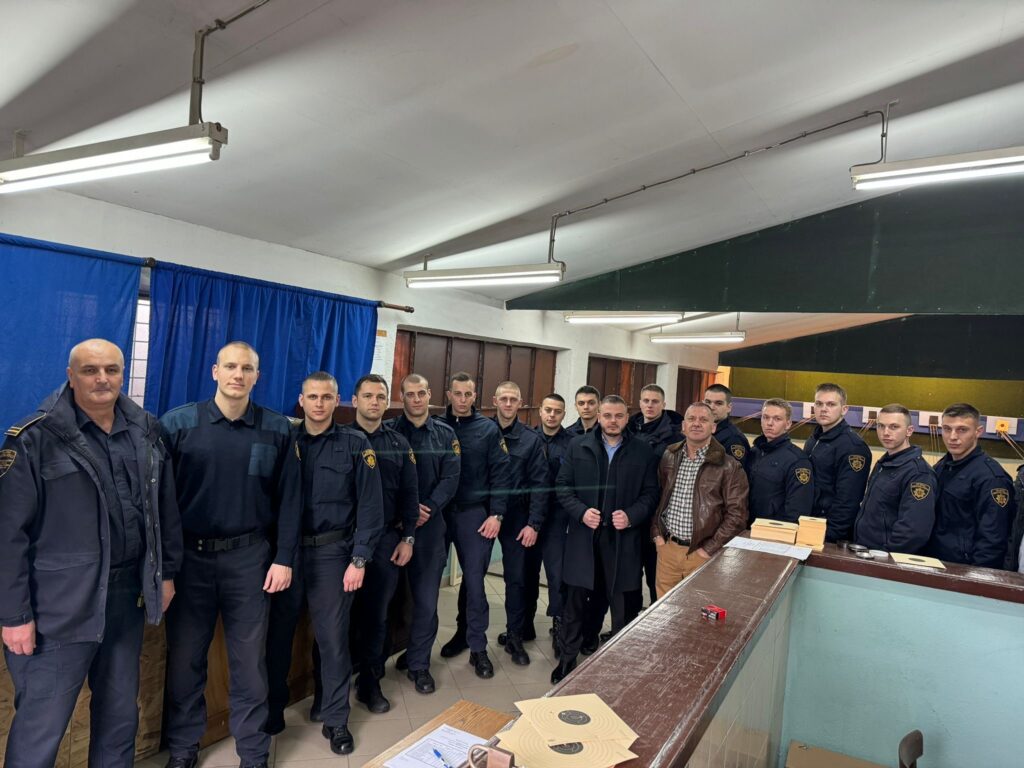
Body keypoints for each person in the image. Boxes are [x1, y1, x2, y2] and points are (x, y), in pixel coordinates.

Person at [0, 339, 182, 768]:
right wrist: (14, 615)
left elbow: (164, 510)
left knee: (119, 717)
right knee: (41, 726)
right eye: (90, 370)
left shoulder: (146, 431)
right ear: (71, 375)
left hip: (125, 598)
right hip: (58, 606)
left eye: (111, 370)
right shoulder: (35, 438)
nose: (102, 379)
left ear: (123, 374)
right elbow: (8, 535)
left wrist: (166, 573)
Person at [160, 342, 301, 768]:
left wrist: (284, 557)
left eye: (247, 368)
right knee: (186, 661)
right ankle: (183, 749)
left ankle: (253, 753)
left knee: (249, 665)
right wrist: (165, 569)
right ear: (214, 371)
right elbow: (160, 503)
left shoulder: (277, 428)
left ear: (257, 376)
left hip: (250, 561)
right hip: (190, 561)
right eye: (231, 366)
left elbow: (290, 499)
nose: (238, 375)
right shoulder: (177, 425)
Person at [263, 371, 383, 754]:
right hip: (287, 554)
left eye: (326, 397)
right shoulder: (285, 440)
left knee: (332, 641)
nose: (319, 403)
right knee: (278, 637)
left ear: (337, 400)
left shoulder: (355, 443)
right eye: (312, 397)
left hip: (333, 554)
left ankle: (335, 720)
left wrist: (359, 558)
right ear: (301, 400)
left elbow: (371, 506)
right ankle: (273, 710)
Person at [552, 395, 659, 684]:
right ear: (599, 416)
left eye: (619, 416)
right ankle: (567, 657)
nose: (613, 421)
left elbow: (651, 494)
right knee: (575, 602)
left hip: (623, 540)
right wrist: (581, 512)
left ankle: (618, 664)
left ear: (627, 418)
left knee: (622, 604)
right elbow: (563, 486)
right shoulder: (578, 445)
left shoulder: (642, 450)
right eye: (608, 415)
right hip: (583, 537)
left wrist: (632, 515)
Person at [349, 374, 418, 712]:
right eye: (368, 396)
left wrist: (408, 537)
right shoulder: (340, 440)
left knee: (377, 616)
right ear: (355, 400)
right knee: (338, 619)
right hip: (344, 542)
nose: (374, 402)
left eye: (380, 397)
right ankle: (328, 688)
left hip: (386, 541)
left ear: (387, 402)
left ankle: (369, 683)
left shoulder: (398, 444)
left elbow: (409, 494)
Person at [389, 373, 461, 694]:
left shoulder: (445, 434)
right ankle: (376, 664)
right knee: (386, 601)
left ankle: (419, 664)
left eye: (421, 393)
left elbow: (451, 478)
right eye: (410, 394)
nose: (416, 399)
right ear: (402, 396)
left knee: (426, 601)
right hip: (392, 529)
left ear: (430, 395)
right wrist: (403, 512)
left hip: (430, 528)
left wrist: (426, 508)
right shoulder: (389, 432)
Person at [437, 373, 512, 679]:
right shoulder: (436, 426)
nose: (463, 399)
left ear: (475, 396)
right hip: (440, 514)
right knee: (426, 583)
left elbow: (502, 474)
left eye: (468, 394)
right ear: (448, 394)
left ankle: (477, 648)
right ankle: (419, 650)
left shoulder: (488, 429)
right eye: (458, 393)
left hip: (473, 514)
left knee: (475, 585)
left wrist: (497, 514)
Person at [651, 402, 748, 598]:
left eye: (703, 420)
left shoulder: (729, 466)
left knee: (698, 611)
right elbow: (657, 496)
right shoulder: (669, 455)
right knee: (663, 610)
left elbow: (737, 516)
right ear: (683, 425)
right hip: (668, 550)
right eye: (691, 419)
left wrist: (707, 550)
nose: (696, 423)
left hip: (702, 554)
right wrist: (657, 535)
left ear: (713, 427)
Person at [491, 381, 548, 666]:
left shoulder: (531, 439)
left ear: (520, 403)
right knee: (473, 578)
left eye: (513, 399)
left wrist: (534, 523)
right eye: (504, 398)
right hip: (484, 513)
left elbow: (540, 483)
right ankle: (466, 634)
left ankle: (514, 636)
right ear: (495, 401)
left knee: (516, 578)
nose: (508, 403)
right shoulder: (482, 431)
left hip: (517, 516)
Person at [926, 403, 1013, 568]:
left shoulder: (992, 479)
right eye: (947, 429)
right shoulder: (942, 466)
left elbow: (993, 540)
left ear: (978, 432)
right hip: (935, 562)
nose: (952, 437)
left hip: (964, 569)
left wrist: (973, 578)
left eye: (962, 430)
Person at [526, 393, 575, 655]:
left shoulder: (573, 443)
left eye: (557, 411)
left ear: (564, 414)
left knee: (557, 576)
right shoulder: (528, 438)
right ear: (540, 411)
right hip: (529, 517)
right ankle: (524, 624)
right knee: (526, 574)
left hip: (557, 518)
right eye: (548, 410)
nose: (552, 415)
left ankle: (559, 627)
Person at [854, 404, 936, 554]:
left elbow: (913, 531)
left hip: (885, 557)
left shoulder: (919, 474)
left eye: (894, 427)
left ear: (909, 431)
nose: (886, 432)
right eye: (881, 426)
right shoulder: (883, 463)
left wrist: (885, 556)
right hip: (866, 551)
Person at [627, 383, 682, 604]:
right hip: (631, 511)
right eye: (646, 401)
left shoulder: (675, 436)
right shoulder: (628, 429)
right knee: (629, 575)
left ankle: (656, 617)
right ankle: (630, 620)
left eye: (655, 401)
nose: (650, 405)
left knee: (655, 575)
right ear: (640, 403)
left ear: (664, 404)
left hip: (658, 514)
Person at [803, 383, 871, 542]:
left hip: (830, 532)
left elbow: (848, 500)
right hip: (809, 522)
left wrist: (830, 535)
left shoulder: (853, 447)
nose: (823, 409)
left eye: (831, 404)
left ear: (844, 409)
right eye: (819, 404)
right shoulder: (814, 439)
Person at [747, 398, 814, 523]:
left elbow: (797, 510)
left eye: (777, 419)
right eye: (765, 417)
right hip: (747, 527)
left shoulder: (797, 461)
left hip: (774, 530)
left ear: (788, 424)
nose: (769, 423)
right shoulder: (753, 452)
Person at [704, 384, 750, 468]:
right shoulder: (702, 431)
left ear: (729, 407)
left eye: (718, 403)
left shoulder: (734, 439)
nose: (711, 407)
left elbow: (734, 473)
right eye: (708, 402)